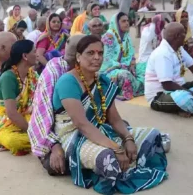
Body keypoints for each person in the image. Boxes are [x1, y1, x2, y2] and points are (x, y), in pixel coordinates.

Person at [52, 35, 167, 194]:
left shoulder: (102, 80)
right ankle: (119, 167)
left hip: (101, 131)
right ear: (78, 57)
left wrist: (128, 139)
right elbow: (82, 125)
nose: (97, 57)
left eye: (100, 53)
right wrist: (117, 148)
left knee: (152, 135)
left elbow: (114, 119)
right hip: (73, 138)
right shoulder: (68, 82)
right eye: (90, 53)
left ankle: (126, 164)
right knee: (109, 160)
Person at [28, 34, 85, 175]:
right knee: (55, 166)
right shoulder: (53, 72)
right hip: (60, 130)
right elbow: (42, 113)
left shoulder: (87, 69)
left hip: (84, 125)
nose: (96, 58)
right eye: (90, 53)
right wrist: (54, 145)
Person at [0, 40, 38, 155]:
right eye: (34, 51)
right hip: (6, 122)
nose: (37, 54)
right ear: (25, 56)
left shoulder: (32, 74)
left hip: (27, 116)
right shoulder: (8, 77)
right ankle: (39, 140)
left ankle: (39, 139)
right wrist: (34, 133)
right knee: (14, 141)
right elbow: (11, 113)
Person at [145, 22, 193, 117]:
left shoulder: (179, 49)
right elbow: (167, 85)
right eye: (184, 33)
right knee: (188, 100)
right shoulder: (163, 54)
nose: (186, 35)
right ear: (177, 36)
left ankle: (189, 108)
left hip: (179, 89)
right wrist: (191, 93)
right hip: (160, 96)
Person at [100, 12, 145, 100]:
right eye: (123, 21)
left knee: (146, 67)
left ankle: (138, 87)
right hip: (110, 69)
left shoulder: (126, 35)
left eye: (127, 21)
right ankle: (123, 92)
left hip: (126, 65)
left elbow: (131, 51)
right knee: (124, 75)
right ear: (116, 23)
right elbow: (105, 59)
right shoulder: (108, 37)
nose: (127, 23)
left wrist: (132, 62)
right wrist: (120, 65)